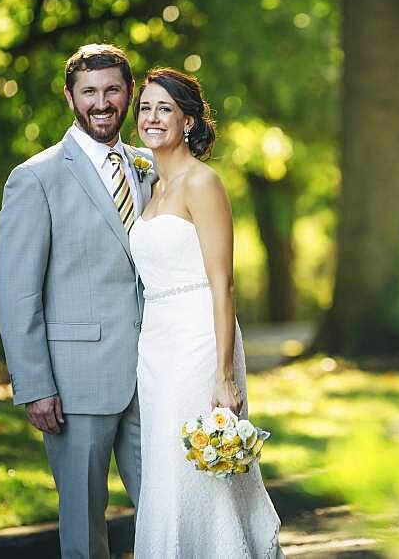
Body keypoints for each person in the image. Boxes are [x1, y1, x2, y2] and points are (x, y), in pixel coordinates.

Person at [0, 43, 156, 558]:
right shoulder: (36, 177)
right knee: (85, 530)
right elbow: (17, 292)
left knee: (166, 512)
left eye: (112, 90)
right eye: (89, 92)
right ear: (70, 97)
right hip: (75, 383)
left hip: (154, 376)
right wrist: (35, 384)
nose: (101, 102)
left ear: (129, 94)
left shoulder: (149, 167)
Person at [130, 67, 283, 557]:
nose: (152, 117)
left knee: (195, 469)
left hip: (198, 338)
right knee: (164, 467)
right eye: (145, 108)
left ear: (189, 121)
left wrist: (223, 375)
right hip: (155, 341)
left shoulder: (202, 183)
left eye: (164, 108)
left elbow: (223, 283)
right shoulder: (150, 188)